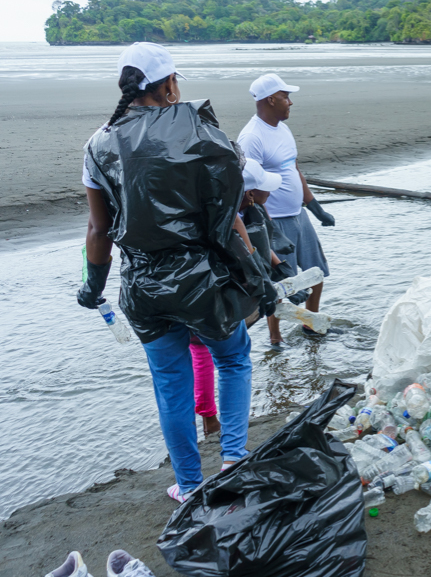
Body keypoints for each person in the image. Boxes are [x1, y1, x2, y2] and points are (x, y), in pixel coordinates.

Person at [77, 43, 278, 503]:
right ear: (168, 84)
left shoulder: (97, 143)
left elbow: (98, 229)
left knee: (171, 385)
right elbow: (229, 216)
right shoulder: (200, 130)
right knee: (232, 358)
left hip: (143, 285)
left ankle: (188, 485)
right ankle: (233, 458)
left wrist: (93, 286)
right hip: (201, 278)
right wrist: (259, 276)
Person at [189, 157, 285, 438]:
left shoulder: (204, 200)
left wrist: (279, 267)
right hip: (214, 293)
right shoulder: (230, 213)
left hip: (180, 286)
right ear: (250, 194)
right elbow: (246, 249)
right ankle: (223, 437)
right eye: (264, 189)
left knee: (188, 360)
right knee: (226, 359)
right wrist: (265, 284)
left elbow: (253, 246)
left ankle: (206, 422)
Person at [237, 74, 335, 348]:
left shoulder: (282, 128)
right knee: (283, 285)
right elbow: (249, 189)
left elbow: (293, 168)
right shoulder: (251, 137)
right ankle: (275, 339)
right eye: (285, 97)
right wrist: (266, 227)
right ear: (270, 99)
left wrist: (315, 208)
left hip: (298, 215)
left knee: (317, 274)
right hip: (274, 221)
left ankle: (312, 326)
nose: (290, 102)